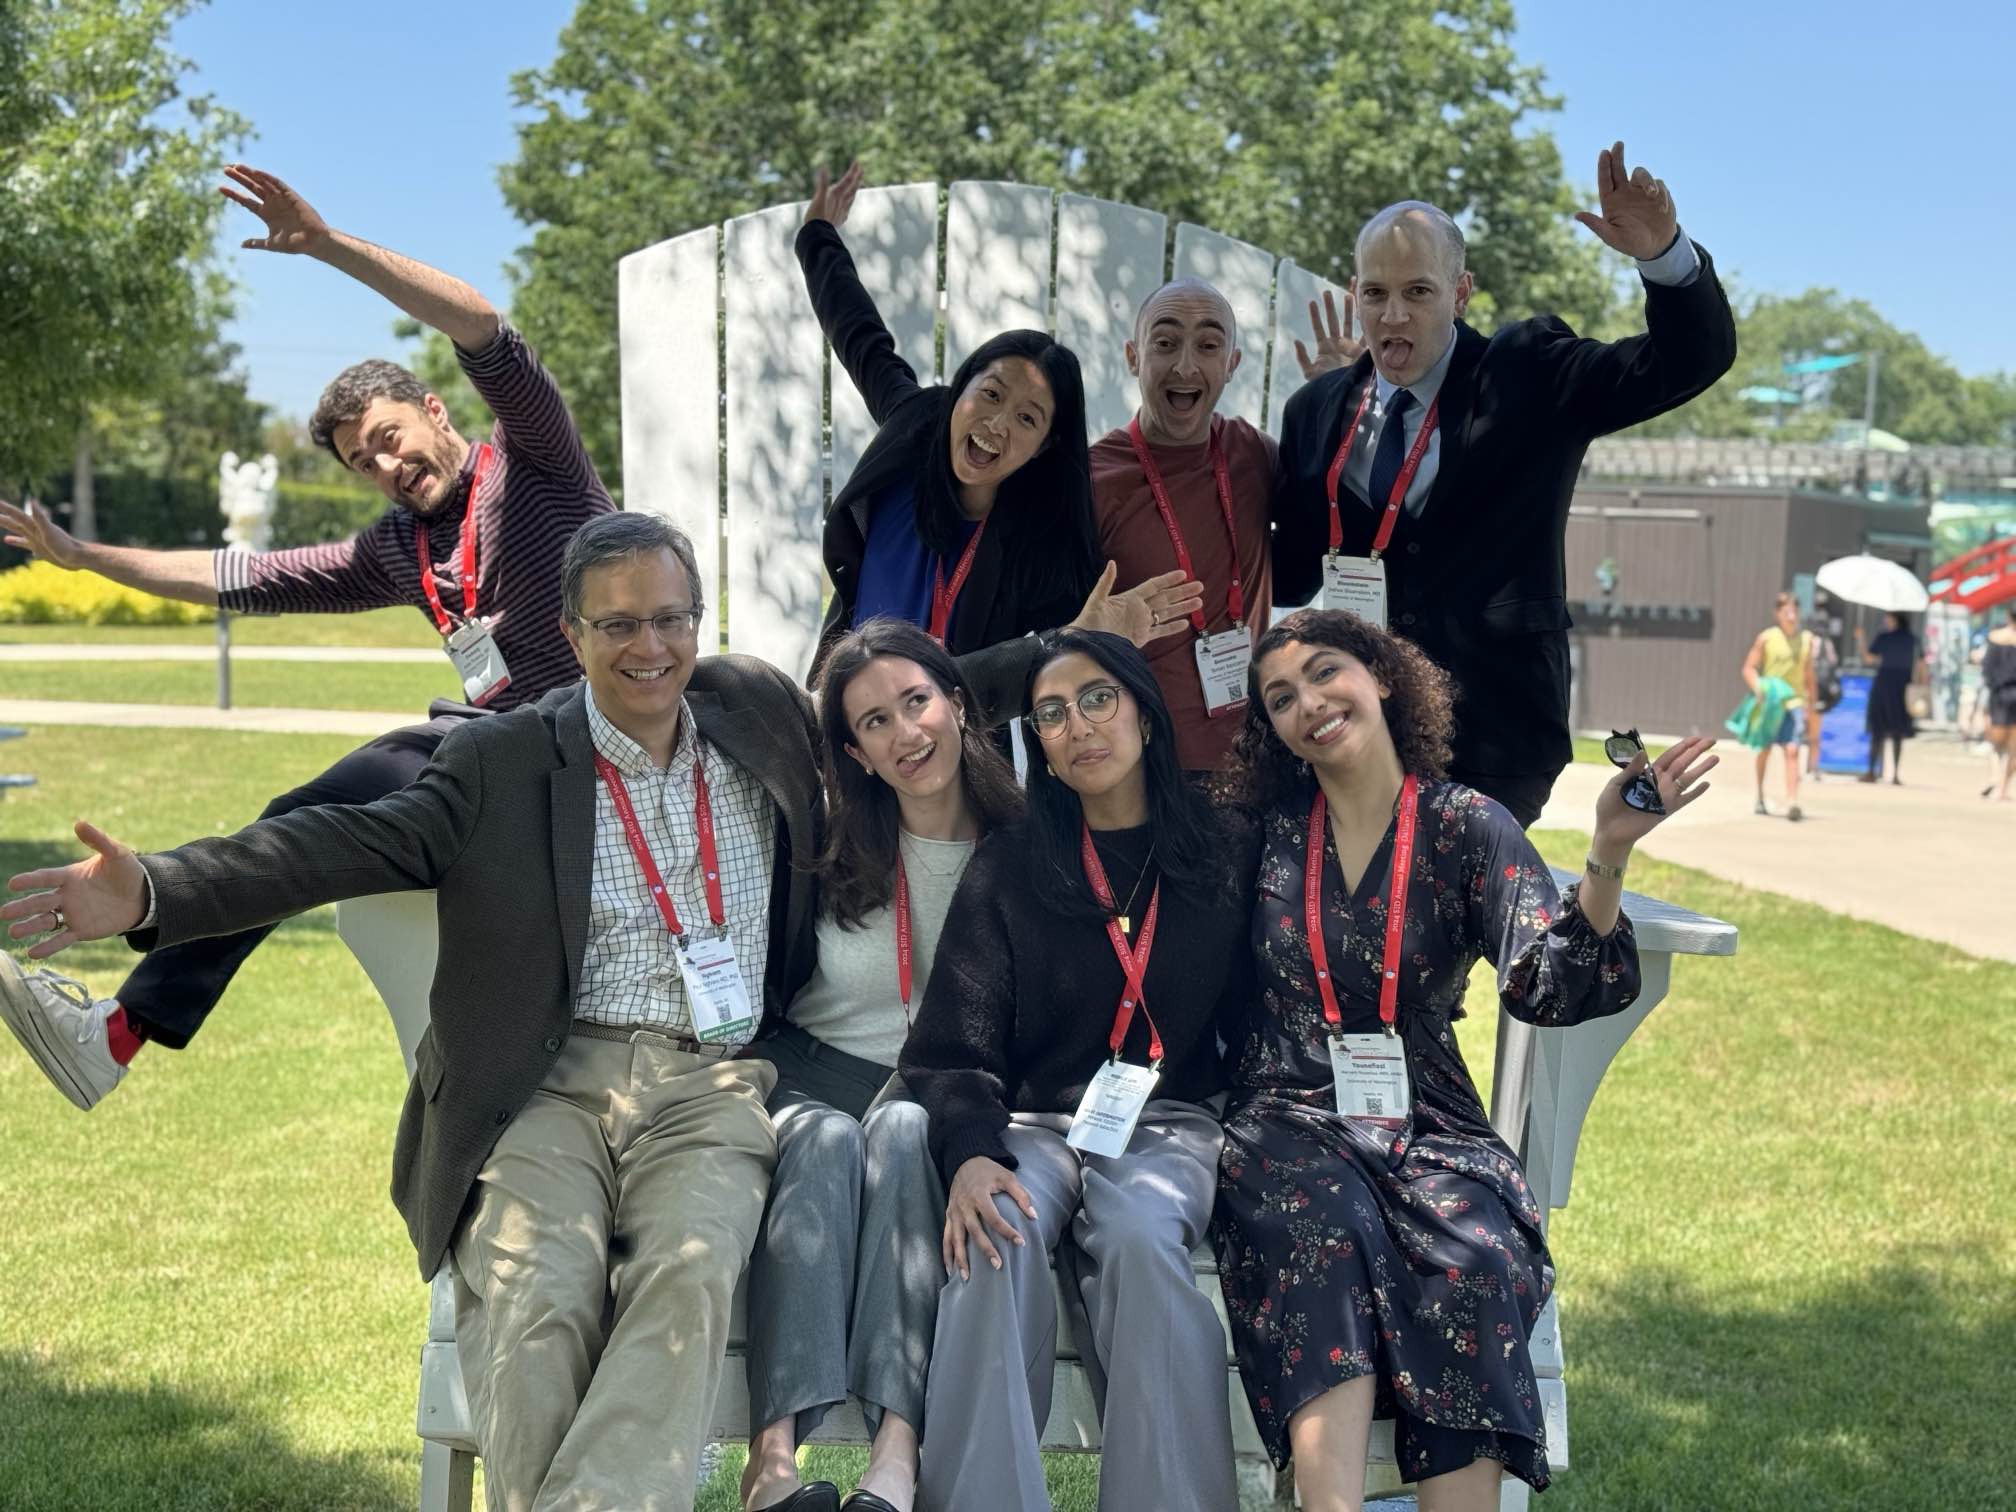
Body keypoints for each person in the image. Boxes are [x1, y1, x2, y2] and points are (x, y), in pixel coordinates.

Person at [3, 514, 820, 1511]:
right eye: (616, 626)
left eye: (667, 620)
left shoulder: (761, 716)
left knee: (688, 1275)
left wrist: (1064, 653)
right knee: (541, 1293)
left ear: (699, 620)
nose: (648, 647)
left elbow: (939, 695)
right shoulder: (505, 762)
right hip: (540, 1086)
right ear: (570, 634)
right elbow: (329, 846)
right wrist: (154, 893)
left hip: (708, 1083)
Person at [0, 163, 611, 1108]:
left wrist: (325, 246)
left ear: (435, 411)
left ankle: (119, 1022)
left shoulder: (538, 466)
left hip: (592, 747)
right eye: (363, 459)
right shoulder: (398, 548)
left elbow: (484, 328)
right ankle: (114, 1036)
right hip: (486, 748)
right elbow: (239, 577)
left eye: (389, 434)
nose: (385, 462)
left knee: (331, 808)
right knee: (301, 815)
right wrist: (84, 557)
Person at [1214, 608, 1715, 1512]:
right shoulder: (1263, 834)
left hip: (1426, 1117)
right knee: (1322, 1220)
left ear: (1380, 676)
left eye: (1327, 673)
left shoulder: (1465, 826)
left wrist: (1607, 849)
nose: (1310, 704)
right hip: (1288, 1110)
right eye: (1281, 699)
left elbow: (1547, 985)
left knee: (1476, 1254)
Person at [1272, 142, 1737, 826]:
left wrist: (1664, 255)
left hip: (1496, 736)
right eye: (1376, 294)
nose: (1393, 316)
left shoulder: (1528, 373)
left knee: (1454, 922)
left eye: (1417, 292)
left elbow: (1689, 360)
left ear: (1460, 293)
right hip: (1358, 734)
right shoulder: (1317, 410)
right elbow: (1287, 573)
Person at [898, 630, 1255, 1512]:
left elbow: (1262, 1012)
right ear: (1041, 749)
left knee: (1142, 1237)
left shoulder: (1223, 847)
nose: (1078, 727)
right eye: (1051, 715)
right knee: (994, 1238)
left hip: (1168, 1124)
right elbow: (951, 1046)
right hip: (1031, 1128)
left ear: (1142, 710)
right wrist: (972, 1153)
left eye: (1098, 699)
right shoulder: (1014, 861)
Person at [738, 618, 1020, 1512]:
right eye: (873, 723)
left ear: (955, 701)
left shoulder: (1023, 844)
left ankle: (896, 1458)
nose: (906, 735)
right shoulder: (825, 843)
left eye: (917, 702)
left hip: (937, 1092)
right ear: (854, 752)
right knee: (818, 1141)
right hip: (815, 1074)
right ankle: (772, 1463)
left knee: (903, 1132)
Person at [794, 162, 1203, 727]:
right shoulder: (916, 424)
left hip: (953, 756)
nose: (998, 423)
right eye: (990, 394)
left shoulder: (1036, 539)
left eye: (1027, 417)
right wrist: (817, 233)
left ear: (1042, 447)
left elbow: (1046, 676)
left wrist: (1092, 640)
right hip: (847, 727)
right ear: (961, 388)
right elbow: (857, 330)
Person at [1090, 281, 1354, 771]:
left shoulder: (1251, 452)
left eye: (1208, 346)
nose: (1186, 366)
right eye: (1165, 343)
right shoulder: (1093, 479)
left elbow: (1328, 516)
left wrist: (1334, 400)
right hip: (1142, 770)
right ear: (1133, 356)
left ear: (1231, 364)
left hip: (1252, 762)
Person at [1733, 592, 1818, 820]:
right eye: (1786, 611)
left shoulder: (1807, 639)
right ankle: (1760, 795)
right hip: (1770, 703)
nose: (1791, 615)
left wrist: (1811, 705)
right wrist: (1758, 687)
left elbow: (1809, 675)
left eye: (1794, 611)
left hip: (1795, 703)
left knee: (1793, 750)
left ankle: (1792, 801)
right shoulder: (1766, 638)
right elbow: (1749, 668)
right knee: (1765, 749)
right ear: (1778, 613)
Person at [1856, 611, 1918, 785]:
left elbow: (1869, 658)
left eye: (1888, 617)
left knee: (1878, 730)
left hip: (1884, 686)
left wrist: (1860, 638)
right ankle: (1895, 774)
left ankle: (1871, 772)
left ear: (1895, 618)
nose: (1885, 619)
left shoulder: (1884, 637)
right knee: (1898, 732)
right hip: (1902, 687)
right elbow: (1921, 663)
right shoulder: (1912, 639)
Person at [1982, 605, 2016, 801]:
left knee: (1995, 744)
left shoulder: (1995, 638)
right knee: (2014, 747)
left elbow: (1987, 670)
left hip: (2000, 696)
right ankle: (2002, 787)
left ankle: (1995, 779)